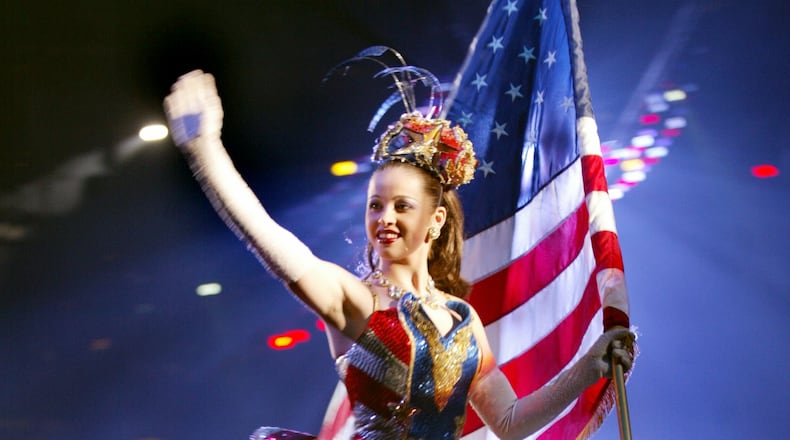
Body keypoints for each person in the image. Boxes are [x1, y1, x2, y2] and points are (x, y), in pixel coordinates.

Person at [163, 53, 633, 440]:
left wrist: (590, 367)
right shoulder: (355, 301)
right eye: (374, 206)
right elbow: (266, 237)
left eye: (401, 206)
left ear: (435, 221)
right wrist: (206, 153)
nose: (384, 218)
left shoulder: (463, 320)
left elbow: (509, 424)